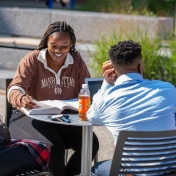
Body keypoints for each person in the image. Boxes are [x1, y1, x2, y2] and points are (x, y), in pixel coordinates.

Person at [7, 20, 99, 176]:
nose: (58, 51)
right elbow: (14, 88)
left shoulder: (76, 60)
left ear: (71, 45)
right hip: (28, 117)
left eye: (64, 47)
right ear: (46, 43)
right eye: (53, 46)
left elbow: (87, 90)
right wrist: (21, 98)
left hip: (60, 118)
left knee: (90, 144)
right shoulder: (32, 59)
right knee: (54, 147)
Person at [87, 40, 176, 176]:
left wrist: (106, 84)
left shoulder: (104, 99)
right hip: (167, 170)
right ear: (140, 67)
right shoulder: (168, 90)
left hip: (131, 173)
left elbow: (92, 118)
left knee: (95, 169)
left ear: (112, 69)